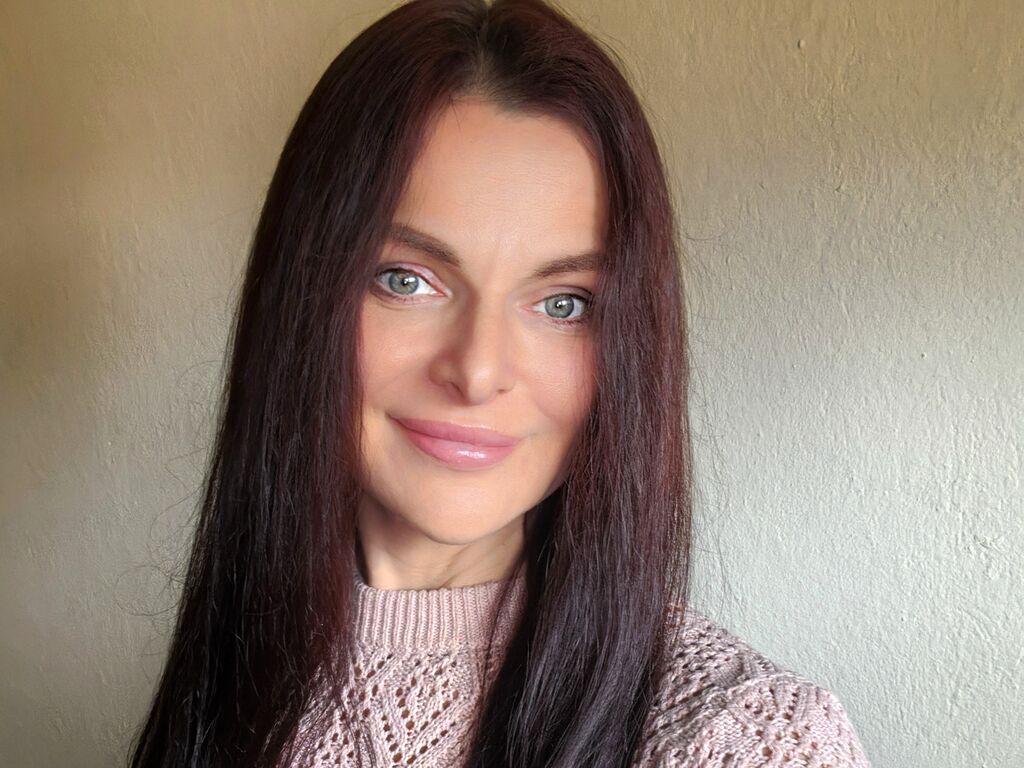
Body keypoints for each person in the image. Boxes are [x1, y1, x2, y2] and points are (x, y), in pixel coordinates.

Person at [128, 0, 872, 766]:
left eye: (564, 304)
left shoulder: (748, 740)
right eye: (406, 279)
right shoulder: (242, 660)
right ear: (301, 297)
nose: (478, 372)